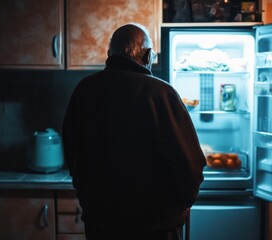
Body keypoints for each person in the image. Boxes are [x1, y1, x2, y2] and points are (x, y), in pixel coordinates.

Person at [62, 23, 206, 240]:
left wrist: (88, 200)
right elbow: (190, 163)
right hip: (157, 226)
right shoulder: (161, 93)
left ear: (110, 54)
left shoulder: (84, 90)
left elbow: (72, 154)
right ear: (148, 56)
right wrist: (184, 204)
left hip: (101, 225)